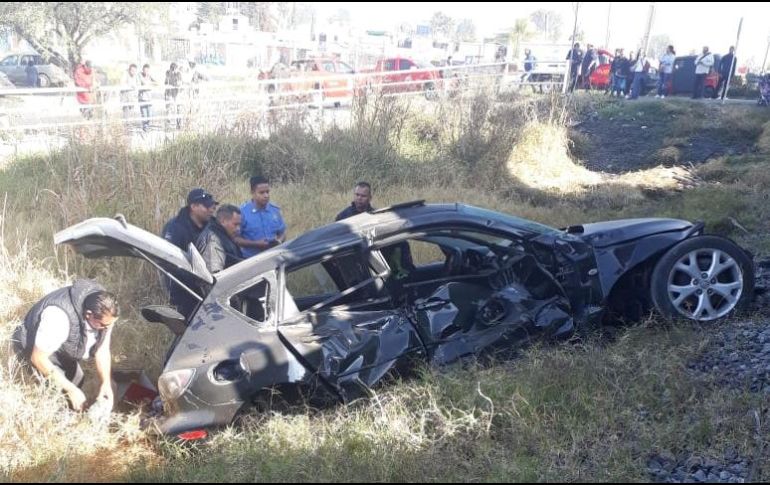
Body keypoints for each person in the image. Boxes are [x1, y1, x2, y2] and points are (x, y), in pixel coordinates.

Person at [12, 280, 119, 412]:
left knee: (77, 378)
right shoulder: (58, 317)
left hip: (59, 342)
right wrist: (70, 390)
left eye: (110, 325)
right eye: (103, 326)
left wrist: (106, 382)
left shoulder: (106, 309)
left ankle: (72, 410)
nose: (106, 329)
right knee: (57, 393)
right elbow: (38, 358)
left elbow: (102, 349)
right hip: (34, 345)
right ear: (88, 315)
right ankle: (54, 419)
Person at [162, 188, 217, 317]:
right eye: (207, 206)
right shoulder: (175, 228)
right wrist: (197, 280)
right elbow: (169, 261)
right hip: (184, 291)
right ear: (193, 206)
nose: (211, 209)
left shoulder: (213, 225)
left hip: (212, 288)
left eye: (212, 206)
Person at [236, 176, 286, 258]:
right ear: (252, 192)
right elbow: (236, 239)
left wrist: (279, 241)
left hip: (273, 257)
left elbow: (282, 233)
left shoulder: (275, 210)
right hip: (250, 260)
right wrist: (256, 244)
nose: (266, 195)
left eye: (267, 192)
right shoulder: (242, 213)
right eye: (262, 192)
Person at [197, 204, 243, 274]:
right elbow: (216, 275)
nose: (238, 229)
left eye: (239, 225)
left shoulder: (225, 235)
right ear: (223, 221)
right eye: (235, 224)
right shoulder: (213, 240)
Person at [164, 62, 183, 129]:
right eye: (172, 69)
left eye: (175, 69)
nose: (174, 70)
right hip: (169, 93)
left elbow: (179, 83)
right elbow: (166, 81)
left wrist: (177, 82)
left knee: (179, 109)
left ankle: (179, 124)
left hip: (177, 93)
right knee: (169, 109)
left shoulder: (179, 74)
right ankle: (168, 125)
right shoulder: (168, 73)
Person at [138, 64, 155, 132]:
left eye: (147, 70)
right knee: (144, 114)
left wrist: (150, 83)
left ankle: (147, 125)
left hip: (149, 98)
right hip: (142, 98)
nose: (146, 71)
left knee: (150, 115)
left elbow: (157, 82)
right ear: (142, 70)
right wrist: (148, 83)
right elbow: (143, 83)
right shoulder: (139, 75)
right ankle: (145, 127)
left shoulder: (150, 76)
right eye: (145, 70)